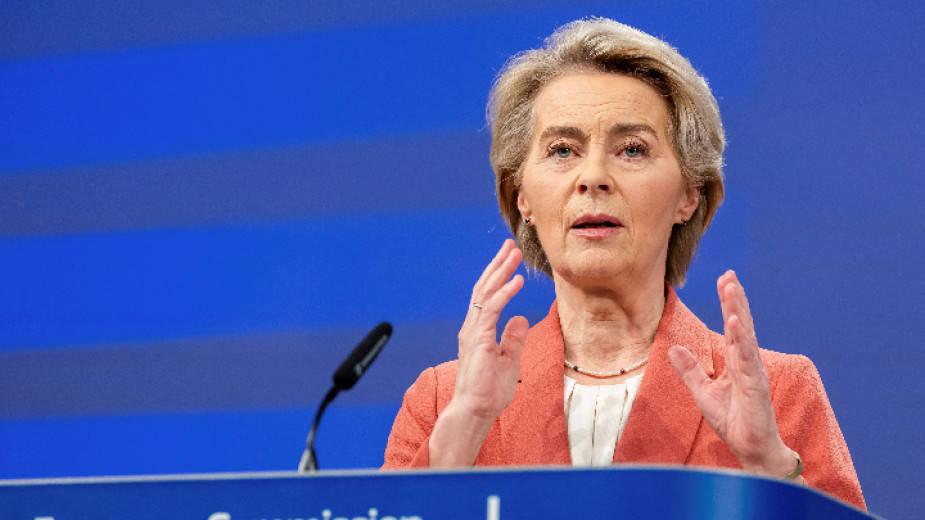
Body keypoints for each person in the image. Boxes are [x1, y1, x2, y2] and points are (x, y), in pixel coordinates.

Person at [382, 17, 865, 510]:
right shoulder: (443, 400)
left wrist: (771, 471)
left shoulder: (780, 391)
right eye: (562, 150)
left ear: (689, 195)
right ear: (522, 195)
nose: (593, 176)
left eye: (632, 149)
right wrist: (462, 434)